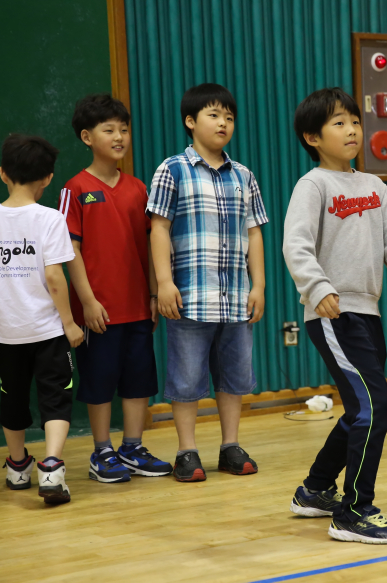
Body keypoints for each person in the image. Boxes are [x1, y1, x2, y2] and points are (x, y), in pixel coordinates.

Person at [283, 88, 387, 545]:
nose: (351, 130)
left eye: (354, 121)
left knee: (361, 407)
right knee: (374, 405)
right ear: (312, 136)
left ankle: (315, 490)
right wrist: (318, 288)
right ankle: (354, 510)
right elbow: (296, 245)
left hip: (368, 313)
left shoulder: (374, 186)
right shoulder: (313, 186)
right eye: (338, 123)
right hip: (332, 313)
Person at [147, 83, 268, 482]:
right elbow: (159, 228)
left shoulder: (244, 176)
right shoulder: (172, 169)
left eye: (229, 117)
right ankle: (187, 451)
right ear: (190, 121)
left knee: (233, 376)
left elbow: (253, 233)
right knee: (186, 378)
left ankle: (230, 447)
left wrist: (259, 286)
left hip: (235, 297)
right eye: (214, 115)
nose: (223, 123)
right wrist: (164, 282)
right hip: (190, 295)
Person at [0, 134, 83, 505]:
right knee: (55, 398)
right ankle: (51, 467)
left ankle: (18, 467)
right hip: (47, 330)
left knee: (12, 397)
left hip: (5, 331)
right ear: (47, 178)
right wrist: (69, 323)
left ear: (3, 173)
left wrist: (11, 297)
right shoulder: (50, 218)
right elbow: (54, 277)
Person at [60, 94, 170, 483]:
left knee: (139, 379)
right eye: (109, 130)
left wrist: (155, 294)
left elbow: (153, 244)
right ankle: (102, 451)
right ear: (87, 137)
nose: (120, 136)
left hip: (139, 306)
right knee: (100, 382)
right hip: (98, 311)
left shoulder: (140, 189)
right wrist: (87, 301)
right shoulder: (75, 188)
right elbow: (68, 250)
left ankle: (133, 447)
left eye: (124, 129)